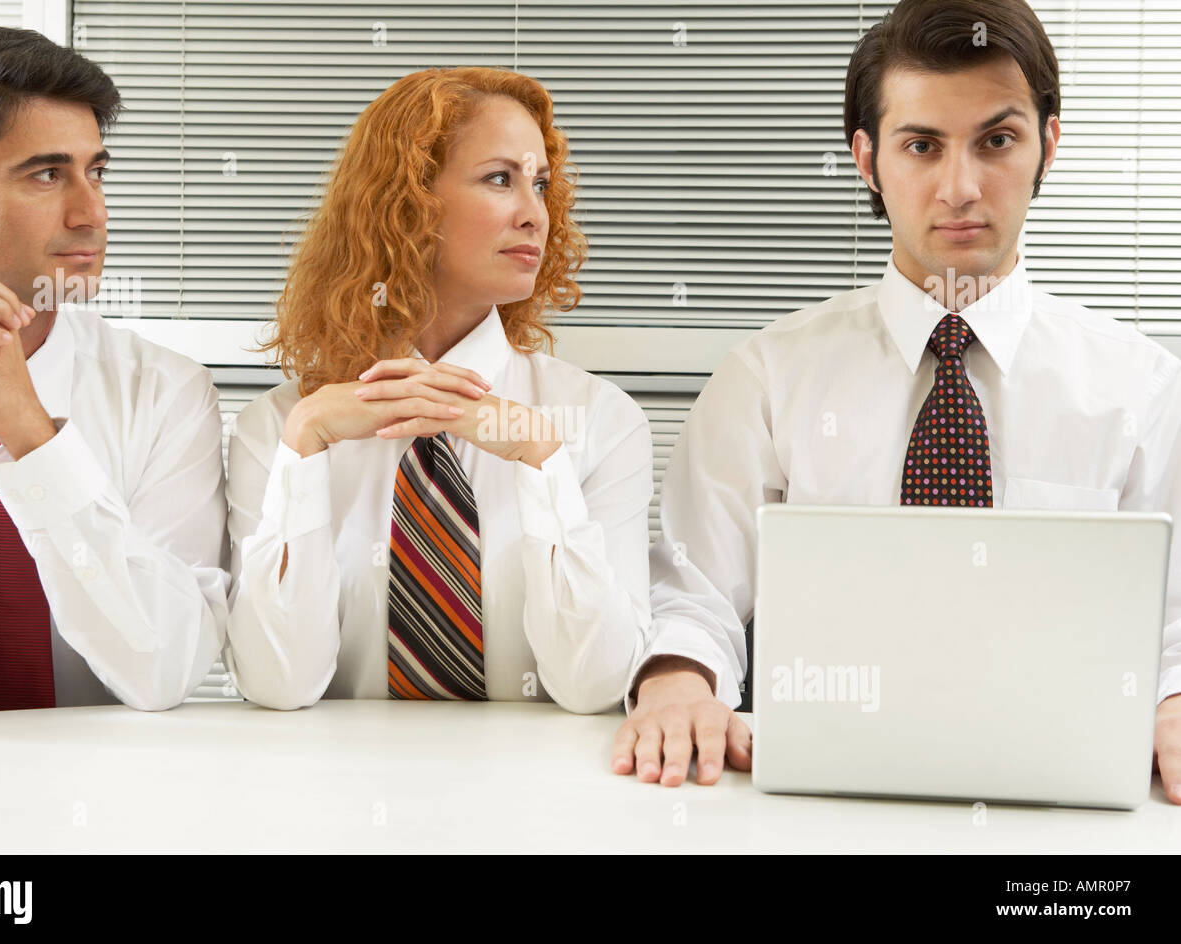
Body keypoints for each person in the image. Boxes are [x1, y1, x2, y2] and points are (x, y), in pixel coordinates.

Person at [613, 0, 1181, 801]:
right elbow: (692, 594)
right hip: (818, 798)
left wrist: (1172, 701)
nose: (961, 187)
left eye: (997, 140)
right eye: (922, 145)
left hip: (1064, 798)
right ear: (866, 158)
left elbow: (1173, 626)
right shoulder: (768, 377)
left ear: (1047, 147)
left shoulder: (1143, 389)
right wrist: (677, 682)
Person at [224, 67, 652, 711]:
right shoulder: (278, 429)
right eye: (501, 179)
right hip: (329, 795)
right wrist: (304, 450)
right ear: (408, 201)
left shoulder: (599, 421)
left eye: (541, 185)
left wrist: (543, 461)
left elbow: (595, 687)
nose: (535, 213)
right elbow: (277, 685)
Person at [0, 26, 229, 716]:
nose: (92, 213)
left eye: (95, 171)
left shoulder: (164, 394)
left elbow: (167, 668)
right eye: (46, 174)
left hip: (99, 806)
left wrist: (35, 441)